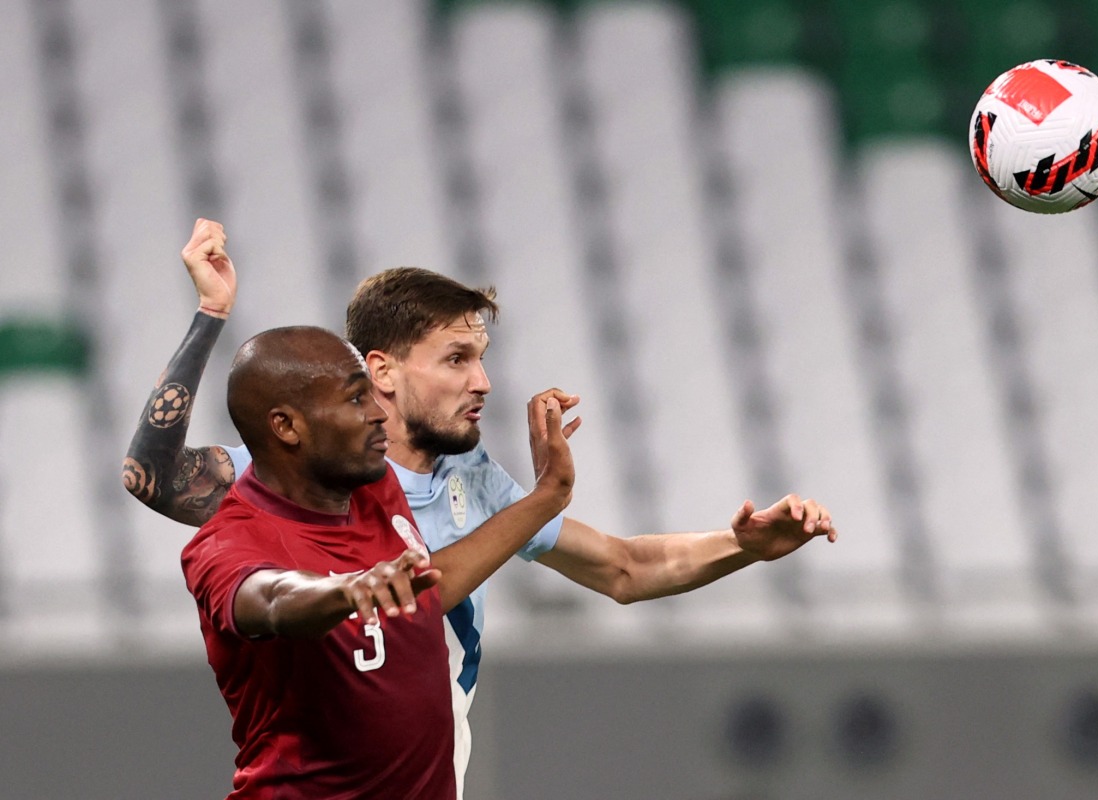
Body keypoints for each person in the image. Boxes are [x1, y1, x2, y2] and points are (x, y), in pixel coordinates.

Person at [124, 218, 836, 795]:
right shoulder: (293, 478)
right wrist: (211, 314)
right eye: (458, 358)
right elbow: (155, 481)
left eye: (482, 356)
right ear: (382, 372)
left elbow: (622, 569)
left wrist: (743, 545)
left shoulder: (464, 478)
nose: (484, 381)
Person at [182, 325, 562, 798]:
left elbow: (426, 592)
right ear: (286, 426)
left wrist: (547, 498)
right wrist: (346, 589)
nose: (379, 413)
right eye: (356, 399)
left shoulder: (373, 487)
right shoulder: (228, 542)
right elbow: (273, 599)